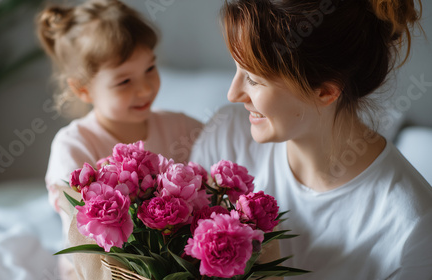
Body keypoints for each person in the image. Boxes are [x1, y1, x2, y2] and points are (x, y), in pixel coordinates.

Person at [191, 0, 432, 279]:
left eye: (254, 80)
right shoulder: (226, 135)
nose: (233, 94)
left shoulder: (411, 229)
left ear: (325, 91)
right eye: (237, 69)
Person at [37, 1, 202, 279]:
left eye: (150, 68)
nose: (146, 87)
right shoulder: (74, 144)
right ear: (83, 89)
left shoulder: (181, 126)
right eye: (124, 81)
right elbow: (82, 236)